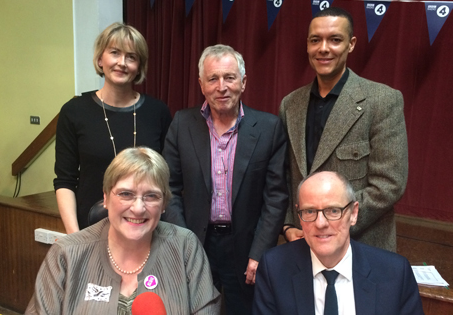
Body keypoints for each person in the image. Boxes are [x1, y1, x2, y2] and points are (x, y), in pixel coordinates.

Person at [162, 44, 288, 314]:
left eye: (229, 77)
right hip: (195, 241)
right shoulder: (182, 123)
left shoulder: (269, 128)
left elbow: (276, 196)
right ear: (201, 84)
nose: (222, 86)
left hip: (245, 246)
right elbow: (168, 189)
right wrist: (183, 243)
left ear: (243, 82)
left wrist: (260, 252)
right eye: (213, 78)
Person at [26, 147, 220, 314]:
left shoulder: (185, 247)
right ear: (106, 198)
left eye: (151, 196)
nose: (138, 208)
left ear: (164, 204)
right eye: (126, 194)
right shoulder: (66, 254)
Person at [280, 7, 408, 252]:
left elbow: (389, 185)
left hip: (362, 247)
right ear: (307, 45)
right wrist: (287, 225)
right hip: (302, 244)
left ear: (351, 44)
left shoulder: (382, 101)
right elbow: (284, 177)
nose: (324, 48)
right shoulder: (290, 105)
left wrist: (326, 222)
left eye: (335, 39)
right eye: (315, 40)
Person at [54, 22, 172, 234]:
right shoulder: (73, 112)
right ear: (100, 59)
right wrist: (75, 238)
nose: (122, 63)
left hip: (144, 231)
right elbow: (65, 181)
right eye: (115, 53)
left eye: (131, 57)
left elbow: (166, 181)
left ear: (139, 66)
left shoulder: (158, 112)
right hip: (89, 229)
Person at [253, 171, 424, 315]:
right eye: (310, 211)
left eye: (333, 211)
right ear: (299, 217)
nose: (320, 223)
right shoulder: (274, 269)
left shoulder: (395, 273)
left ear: (354, 213)